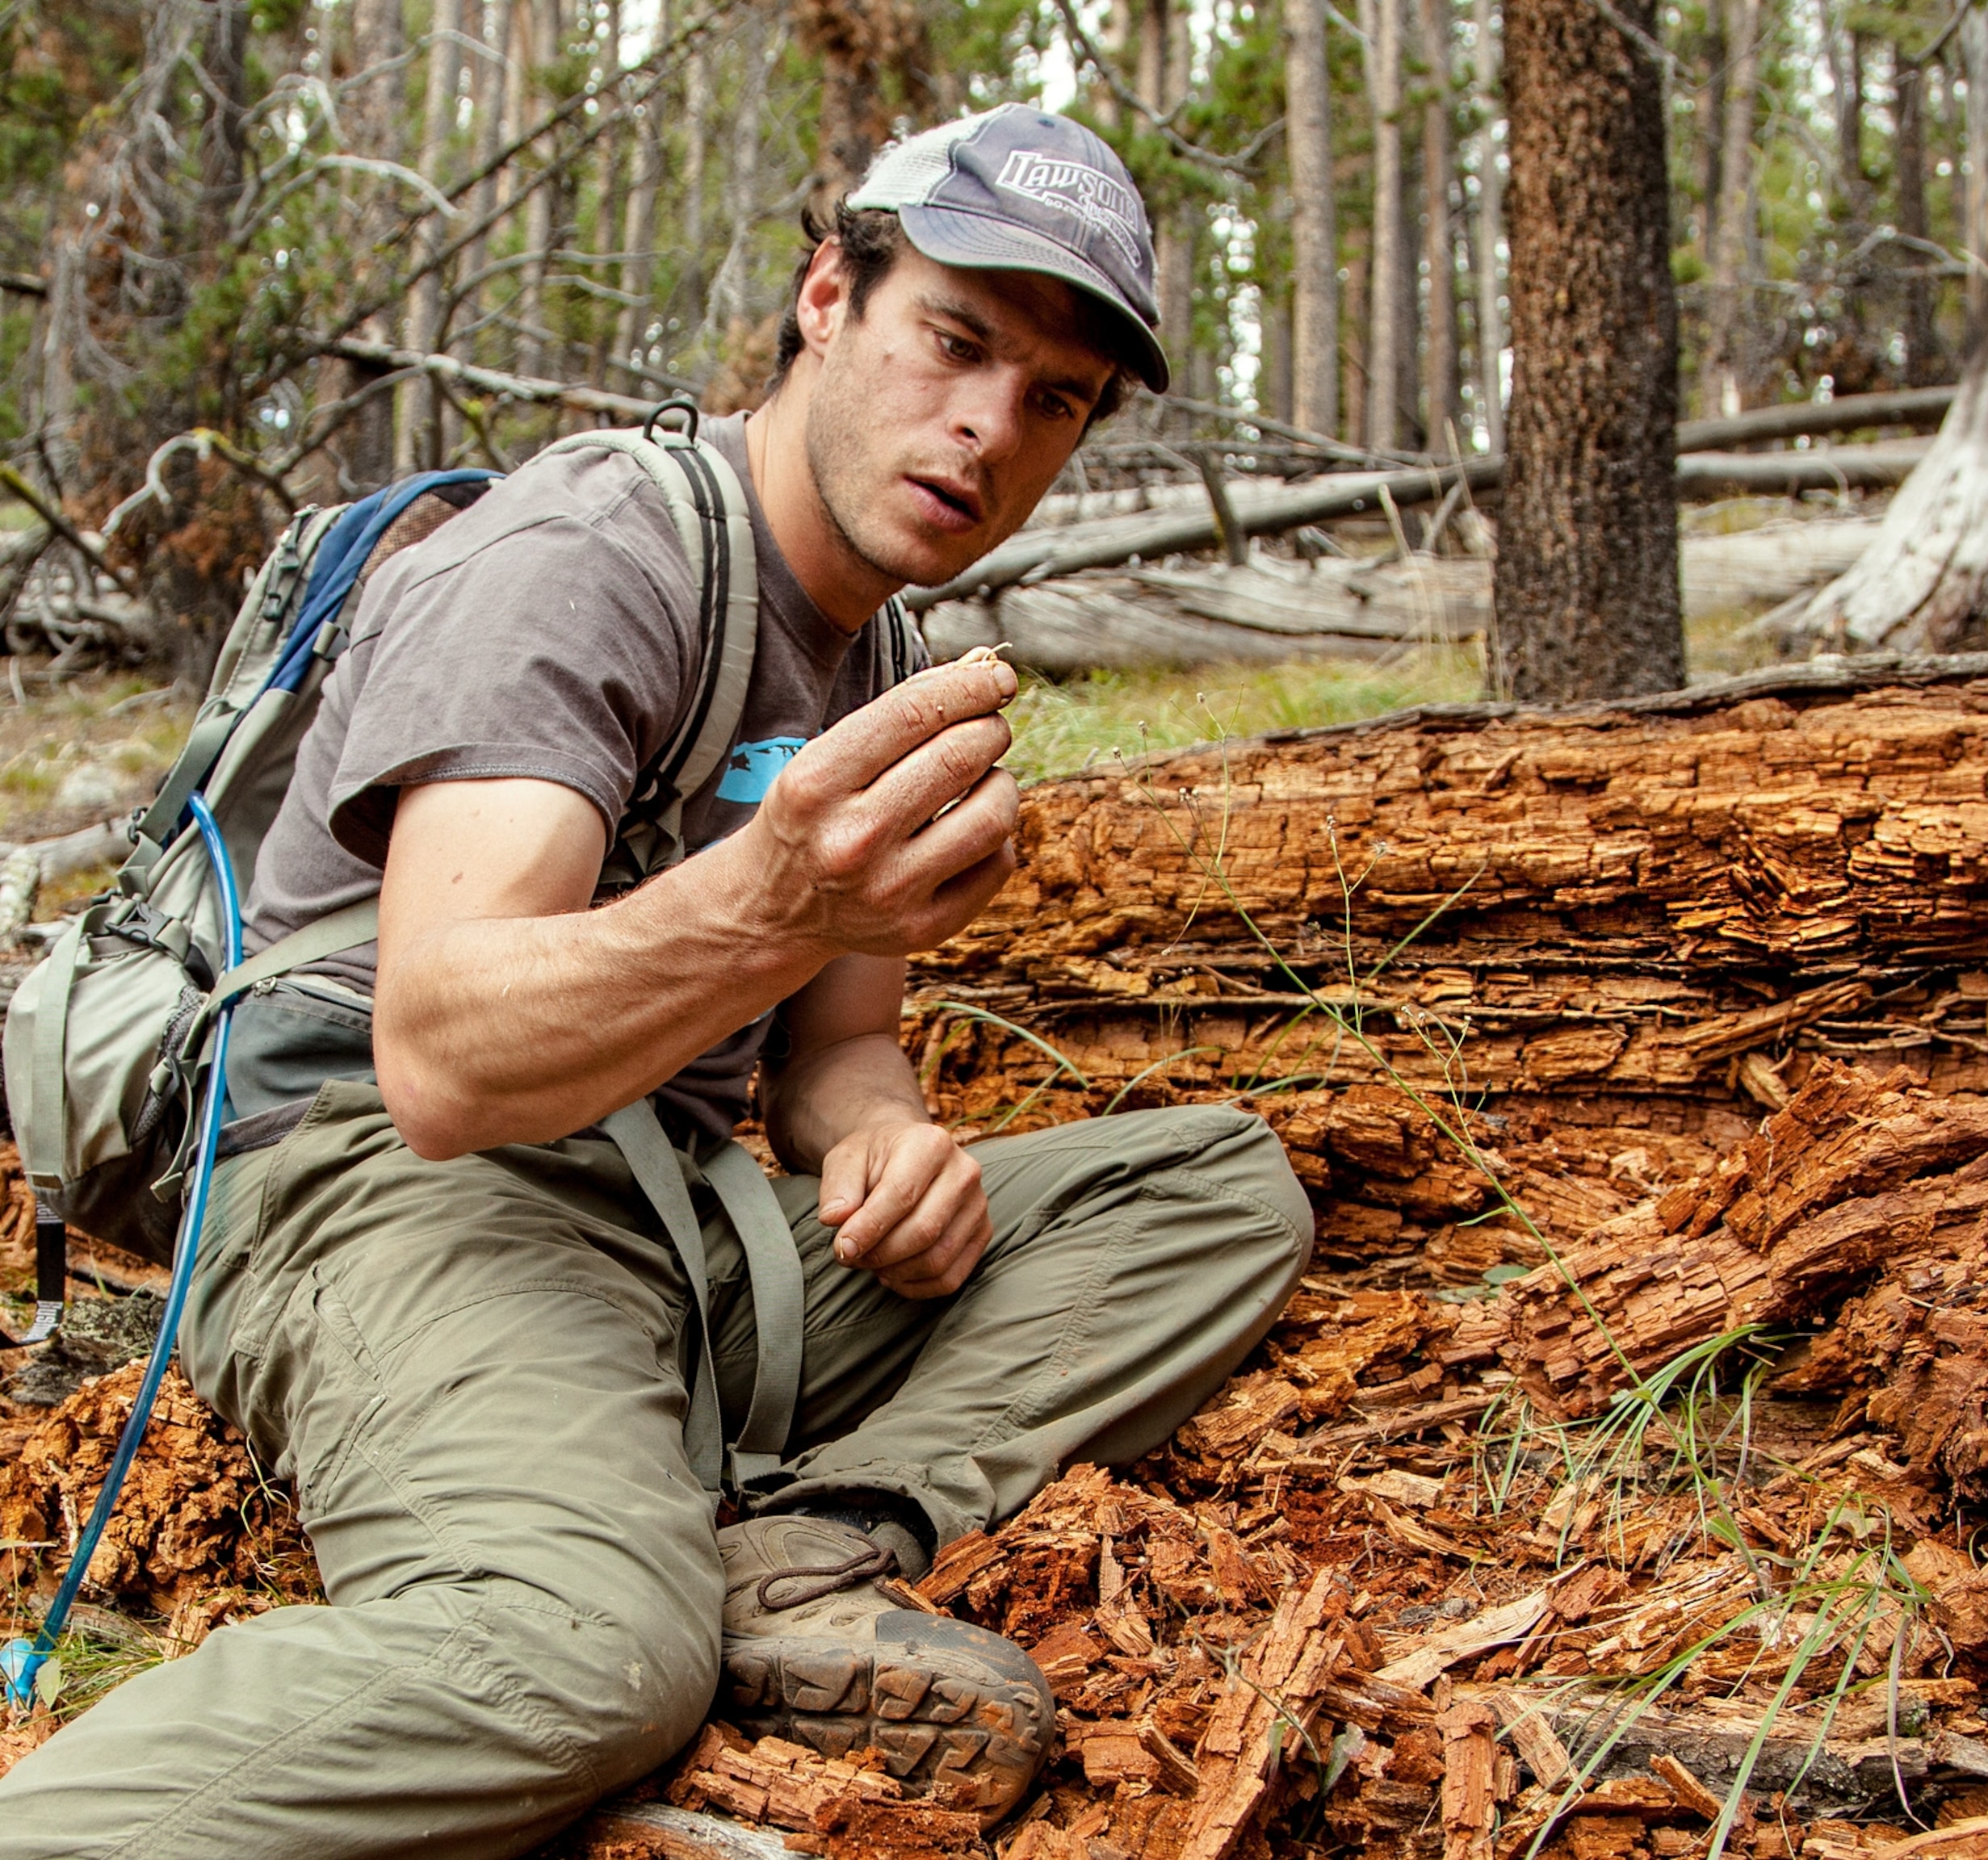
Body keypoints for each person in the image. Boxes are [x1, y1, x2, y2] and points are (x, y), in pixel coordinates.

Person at [1, 106, 1311, 1859]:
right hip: (399, 1200)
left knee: (1211, 1186)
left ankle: (816, 1539)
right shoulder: (589, 559)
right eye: (957, 342)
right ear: (828, 297)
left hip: (683, 1225)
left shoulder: (882, 656)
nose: (990, 428)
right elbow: (445, 1059)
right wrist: (773, 897)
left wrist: (885, 1151)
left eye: (1055, 397)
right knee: (577, 1655)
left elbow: (835, 1052)